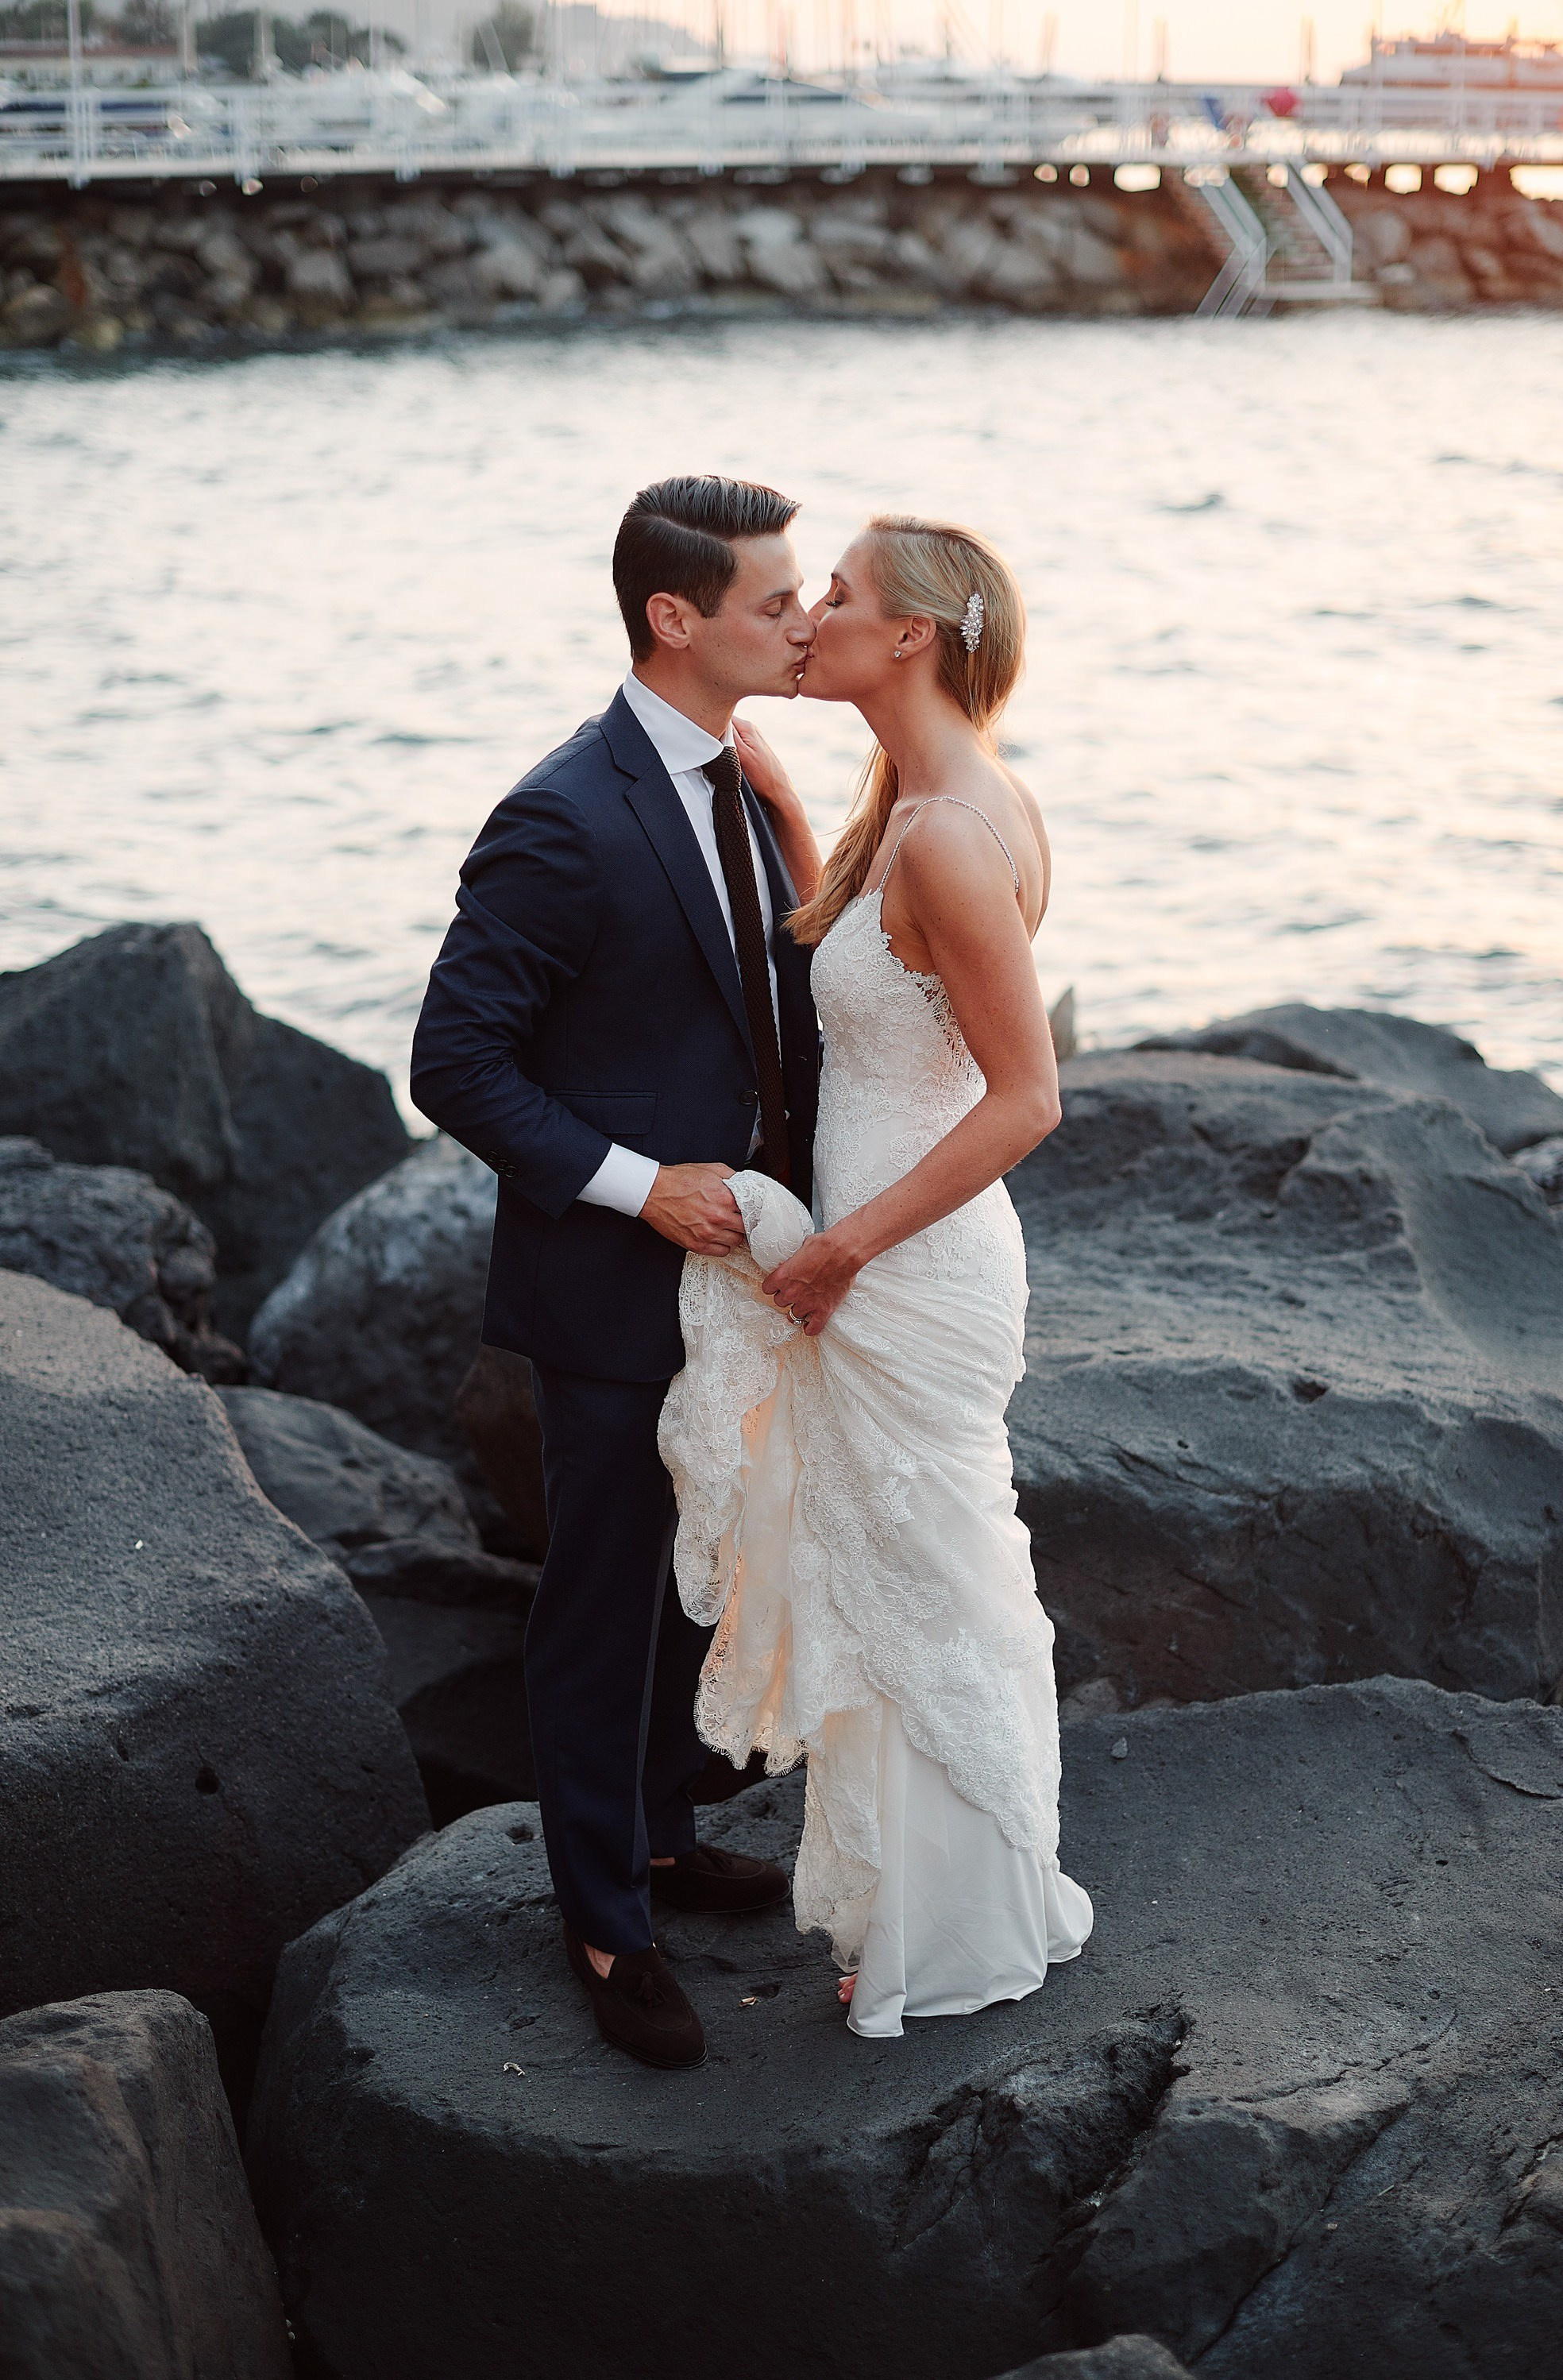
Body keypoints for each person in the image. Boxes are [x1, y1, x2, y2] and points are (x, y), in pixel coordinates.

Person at [659, 515, 1094, 2037]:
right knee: (903, 1575)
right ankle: (932, 1899)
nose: (811, 613)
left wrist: (842, 1244)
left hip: (909, 1264)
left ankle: (958, 1929)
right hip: (891, 1252)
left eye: (836, 595)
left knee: (934, 1581)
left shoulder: (957, 834)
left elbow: (1026, 1097)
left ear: (911, 637)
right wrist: (779, 804)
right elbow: (875, 971)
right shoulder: (914, 806)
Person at [410, 475, 823, 2071]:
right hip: (608, 1289)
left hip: (740, 1283)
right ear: (676, 616)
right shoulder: (565, 814)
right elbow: (454, 1062)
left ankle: (656, 1833)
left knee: (682, 1577)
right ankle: (600, 1918)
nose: (803, 620)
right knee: (597, 1601)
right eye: (774, 600)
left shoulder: (740, 776)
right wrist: (643, 1189)